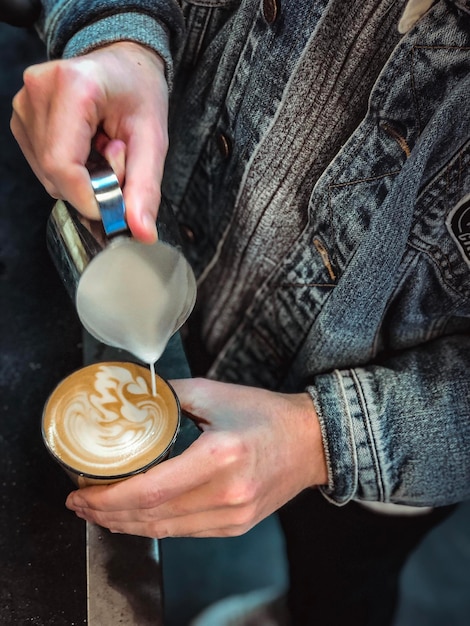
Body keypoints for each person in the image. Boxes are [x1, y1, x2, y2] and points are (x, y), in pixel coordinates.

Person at [9, 0, 470, 624]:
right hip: (188, 284)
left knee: (340, 585)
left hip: (384, 446)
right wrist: (119, 40)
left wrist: (321, 441)